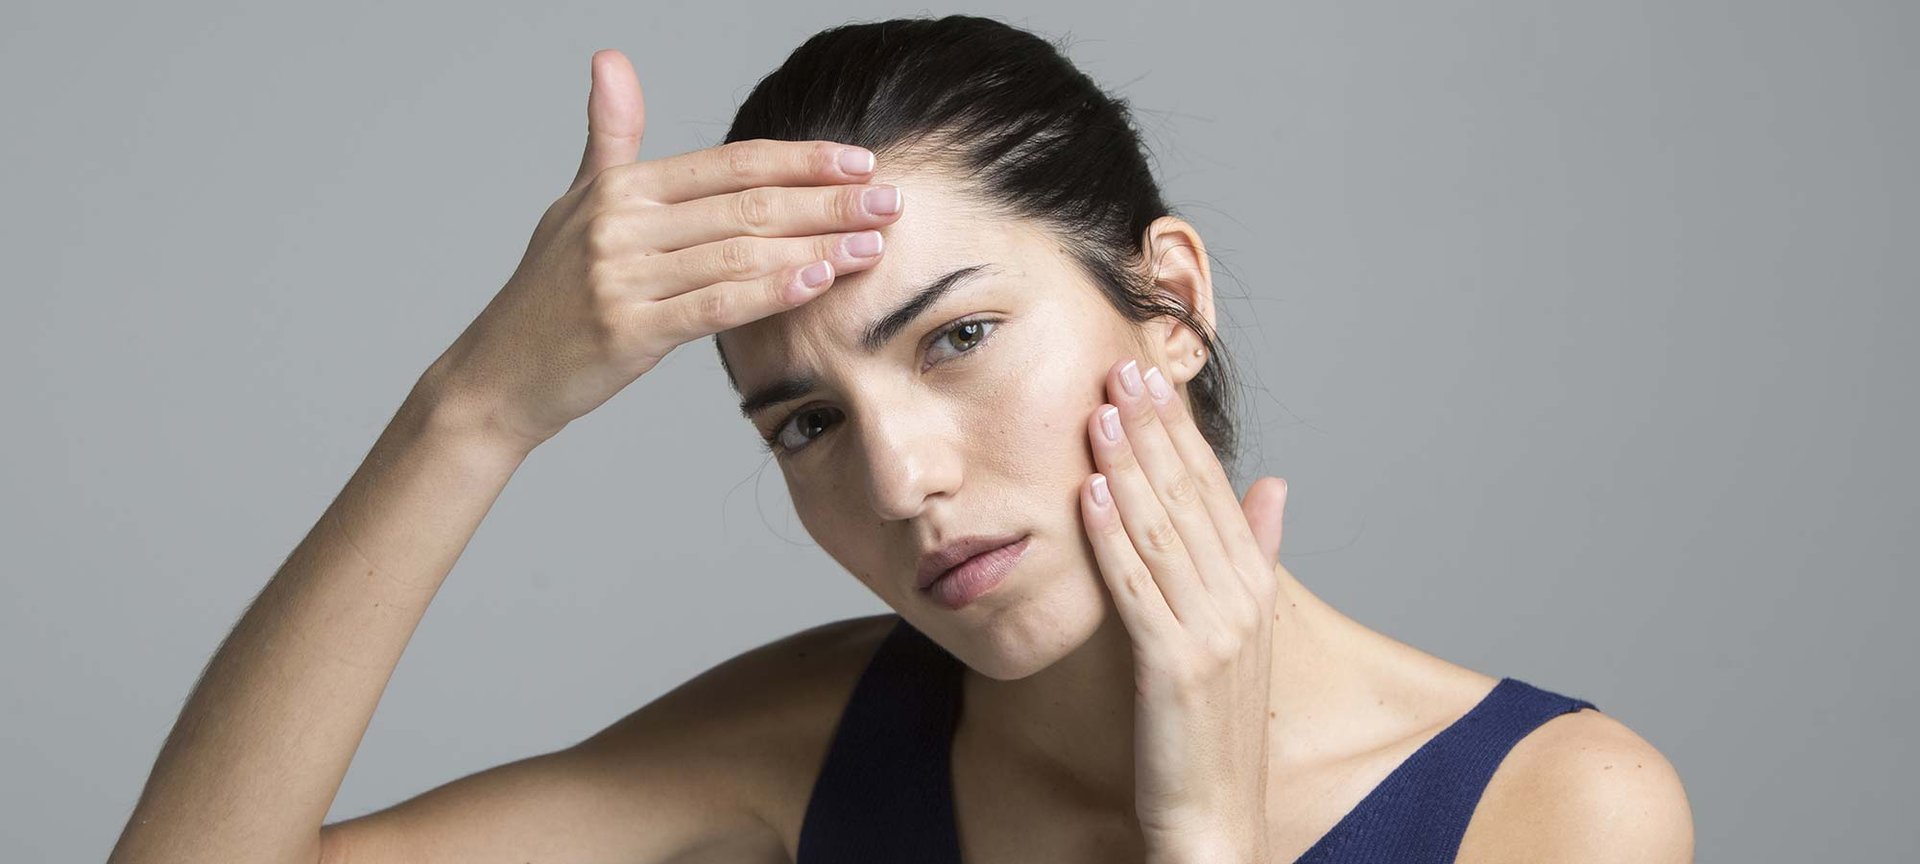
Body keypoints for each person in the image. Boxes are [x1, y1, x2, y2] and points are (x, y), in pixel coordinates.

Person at [108, 15, 1693, 864]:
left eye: (957, 338)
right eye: (802, 421)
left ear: (1171, 297)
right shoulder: (813, 744)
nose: (898, 482)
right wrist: (475, 408)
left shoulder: (1555, 812)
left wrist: (1199, 837)